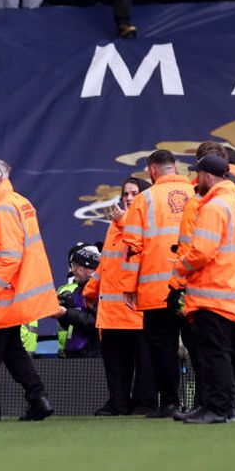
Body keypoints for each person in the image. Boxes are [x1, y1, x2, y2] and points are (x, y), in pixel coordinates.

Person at [170, 155, 235, 424]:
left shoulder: (214, 207)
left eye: (198, 176)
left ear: (207, 175)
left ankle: (217, 410)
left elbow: (202, 251)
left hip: (214, 293)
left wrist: (180, 268)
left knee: (214, 355)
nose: (196, 181)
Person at [0, 157, 54, 422]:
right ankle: (38, 398)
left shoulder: (3, 208)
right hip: (9, 293)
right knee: (12, 350)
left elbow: (9, 257)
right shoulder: (18, 202)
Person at [120, 150, 195, 417]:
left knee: (162, 349)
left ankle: (170, 403)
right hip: (194, 287)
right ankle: (205, 401)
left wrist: (128, 286)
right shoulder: (198, 194)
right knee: (198, 346)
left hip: (157, 290)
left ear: (152, 170)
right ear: (175, 167)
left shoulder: (145, 199)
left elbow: (132, 248)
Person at [85, 177, 154, 415]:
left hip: (136, 310)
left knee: (144, 366)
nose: (127, 198)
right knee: (116, 365)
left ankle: (143, 404)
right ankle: (118, 402)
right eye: (125, 193)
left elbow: (143, 250)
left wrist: (124, 221)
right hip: (112, 311)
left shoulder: (146, 221)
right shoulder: (114, 225)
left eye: (133, 193)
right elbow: (106, 263)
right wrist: (91, 291)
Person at [53, 243, 100, 358]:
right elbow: (70, 325)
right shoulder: (77, 291)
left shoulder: (100, 291)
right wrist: (61, 314)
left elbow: (96, 322)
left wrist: (67, 312)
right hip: (73, 352)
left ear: (89, 269)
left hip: (93, 355)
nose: (72, 270)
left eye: (76, 265)